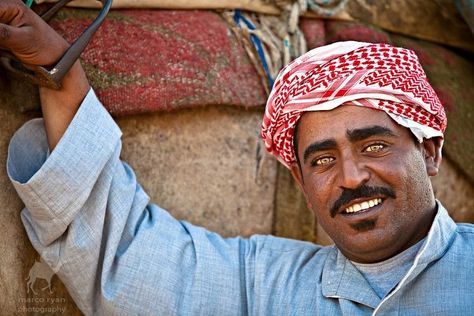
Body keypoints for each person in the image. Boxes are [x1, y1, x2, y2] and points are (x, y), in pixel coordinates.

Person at [2, 0, 474, 314]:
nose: (351, 177)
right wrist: (59, 71)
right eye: (322, 160)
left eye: (373, 146)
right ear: (302, 184)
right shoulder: (266, 288)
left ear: (430, 151)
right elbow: (122, 258)